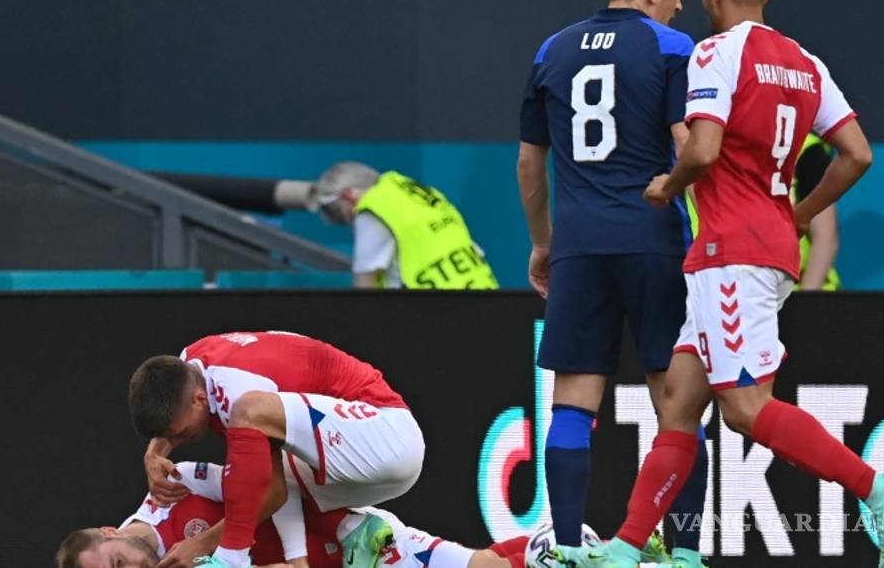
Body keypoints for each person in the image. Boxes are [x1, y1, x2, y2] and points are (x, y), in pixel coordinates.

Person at [572, 0, 884, 568]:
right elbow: (858, 153)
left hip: (733, 253)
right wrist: (803, 213)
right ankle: (627, 548)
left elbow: (703, 149)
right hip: (762, 248)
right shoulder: (807, 64)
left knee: (745, 409)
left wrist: (668, 186)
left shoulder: (716, 53)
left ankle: (876, 487)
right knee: (678, 405)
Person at [516, 0, 707, 567]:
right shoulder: (671, 47)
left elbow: (529, 164)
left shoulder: (551, 49)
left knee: (572, 402)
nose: (680, 4)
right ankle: (684, 554)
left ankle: (568, 549)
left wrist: (543, 244)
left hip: (579, 248)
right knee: (677, 407)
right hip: (655, 242)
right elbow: (687, 146)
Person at [127, 331, 425, 568]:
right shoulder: (187, 367)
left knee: (250, 426)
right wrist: (155, 452)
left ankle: (231, 559)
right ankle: (354, 531)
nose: (181, 441)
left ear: (199, 400)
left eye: (180, 434)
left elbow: (271, 494)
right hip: (354, 453)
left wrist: (204, 543)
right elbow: (275, 487)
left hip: (387, 436)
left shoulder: (239, 393)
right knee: (255, 465)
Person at [57, 460, 534, 568]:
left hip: (357, 540)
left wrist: (205, 541)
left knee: (484, 566)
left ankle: (563, 545)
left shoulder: (173, 488)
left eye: (118, 563)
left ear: (109, 532)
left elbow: (270, 484)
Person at [311, 162, 498, 289]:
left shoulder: (373, 207)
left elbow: (365, 285)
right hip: (486, 293)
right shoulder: (413, 193)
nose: (348, 221)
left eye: (338, 212)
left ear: (348, 196)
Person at [793, 134, 840, 290]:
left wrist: (808, 298)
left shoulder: (807, 150)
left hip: (800, 291)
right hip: (753, 292)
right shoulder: (734, 149)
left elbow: (825, 238)